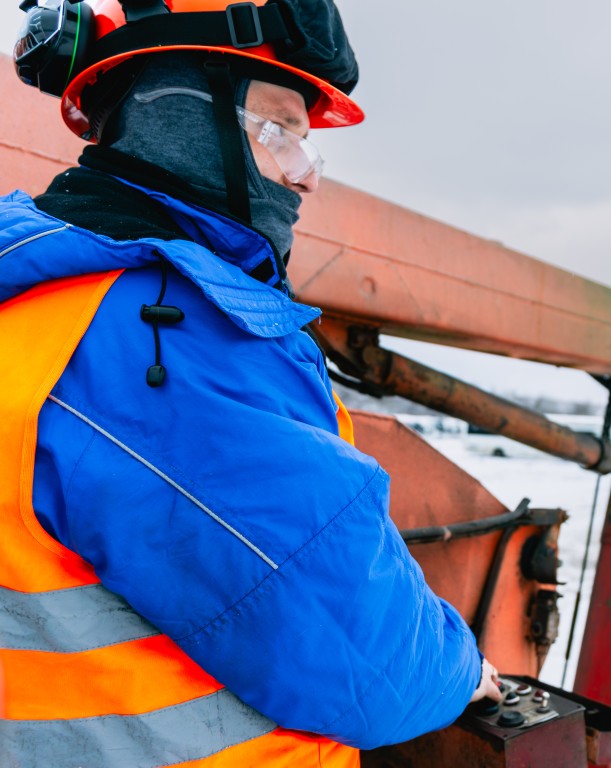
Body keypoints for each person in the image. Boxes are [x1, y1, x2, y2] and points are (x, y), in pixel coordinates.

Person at [0, 0, 501, 765]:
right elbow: (364, 658)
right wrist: (460, 672)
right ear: (175, 116)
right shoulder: (160, 338)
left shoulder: (34, 295)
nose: (304, 179)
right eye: (279, 131)